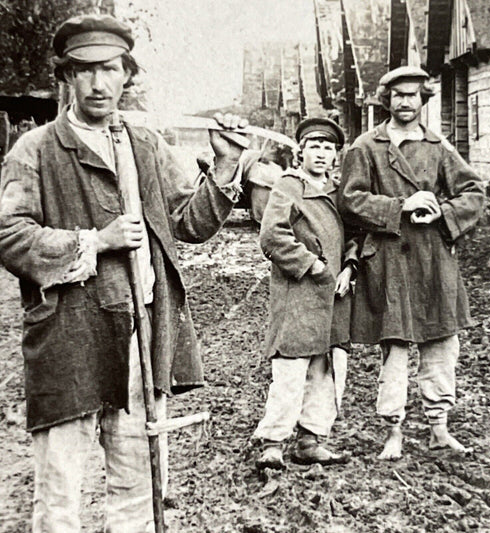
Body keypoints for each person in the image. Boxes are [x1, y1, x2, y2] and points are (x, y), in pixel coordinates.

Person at [0, 14, 249, 532]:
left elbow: (189, 221)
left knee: (137, 490)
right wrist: (94, 242)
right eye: (85, 70)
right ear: (66, 76)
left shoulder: (146, 146)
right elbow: (10, 235)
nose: (98, 83)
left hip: (140, 339)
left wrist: (225, 167)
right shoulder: (37, 150)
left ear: (126, 74)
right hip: (67, 340)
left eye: (110, 69)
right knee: (60, 495)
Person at [338, 66, 484, 460]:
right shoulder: (366, 147)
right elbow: (350, 201)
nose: (406, 101)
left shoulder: (438, 147)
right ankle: (393, 432)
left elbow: (473, 193)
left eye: (413, 95)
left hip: (434, 260)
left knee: (440, 343)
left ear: (424, 99)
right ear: (387, 100)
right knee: (396, 348)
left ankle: (439, 427)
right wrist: (401, 206)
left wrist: (441, 211)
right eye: (398, 95)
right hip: (390, 260)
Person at [253, 117, 355, 469]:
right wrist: (310, 264)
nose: (322, 154)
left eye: (328, 148)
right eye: (315, 147)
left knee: (326, 368)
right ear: (301, 152)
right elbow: (272, 235)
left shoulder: (339, 192)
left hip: (335, 295)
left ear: (336, 155)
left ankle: (311, 439)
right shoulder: (288, 186)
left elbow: (355, 235)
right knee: (291, 369)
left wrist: (349, 267)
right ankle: (273, 442)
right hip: (298, 293)